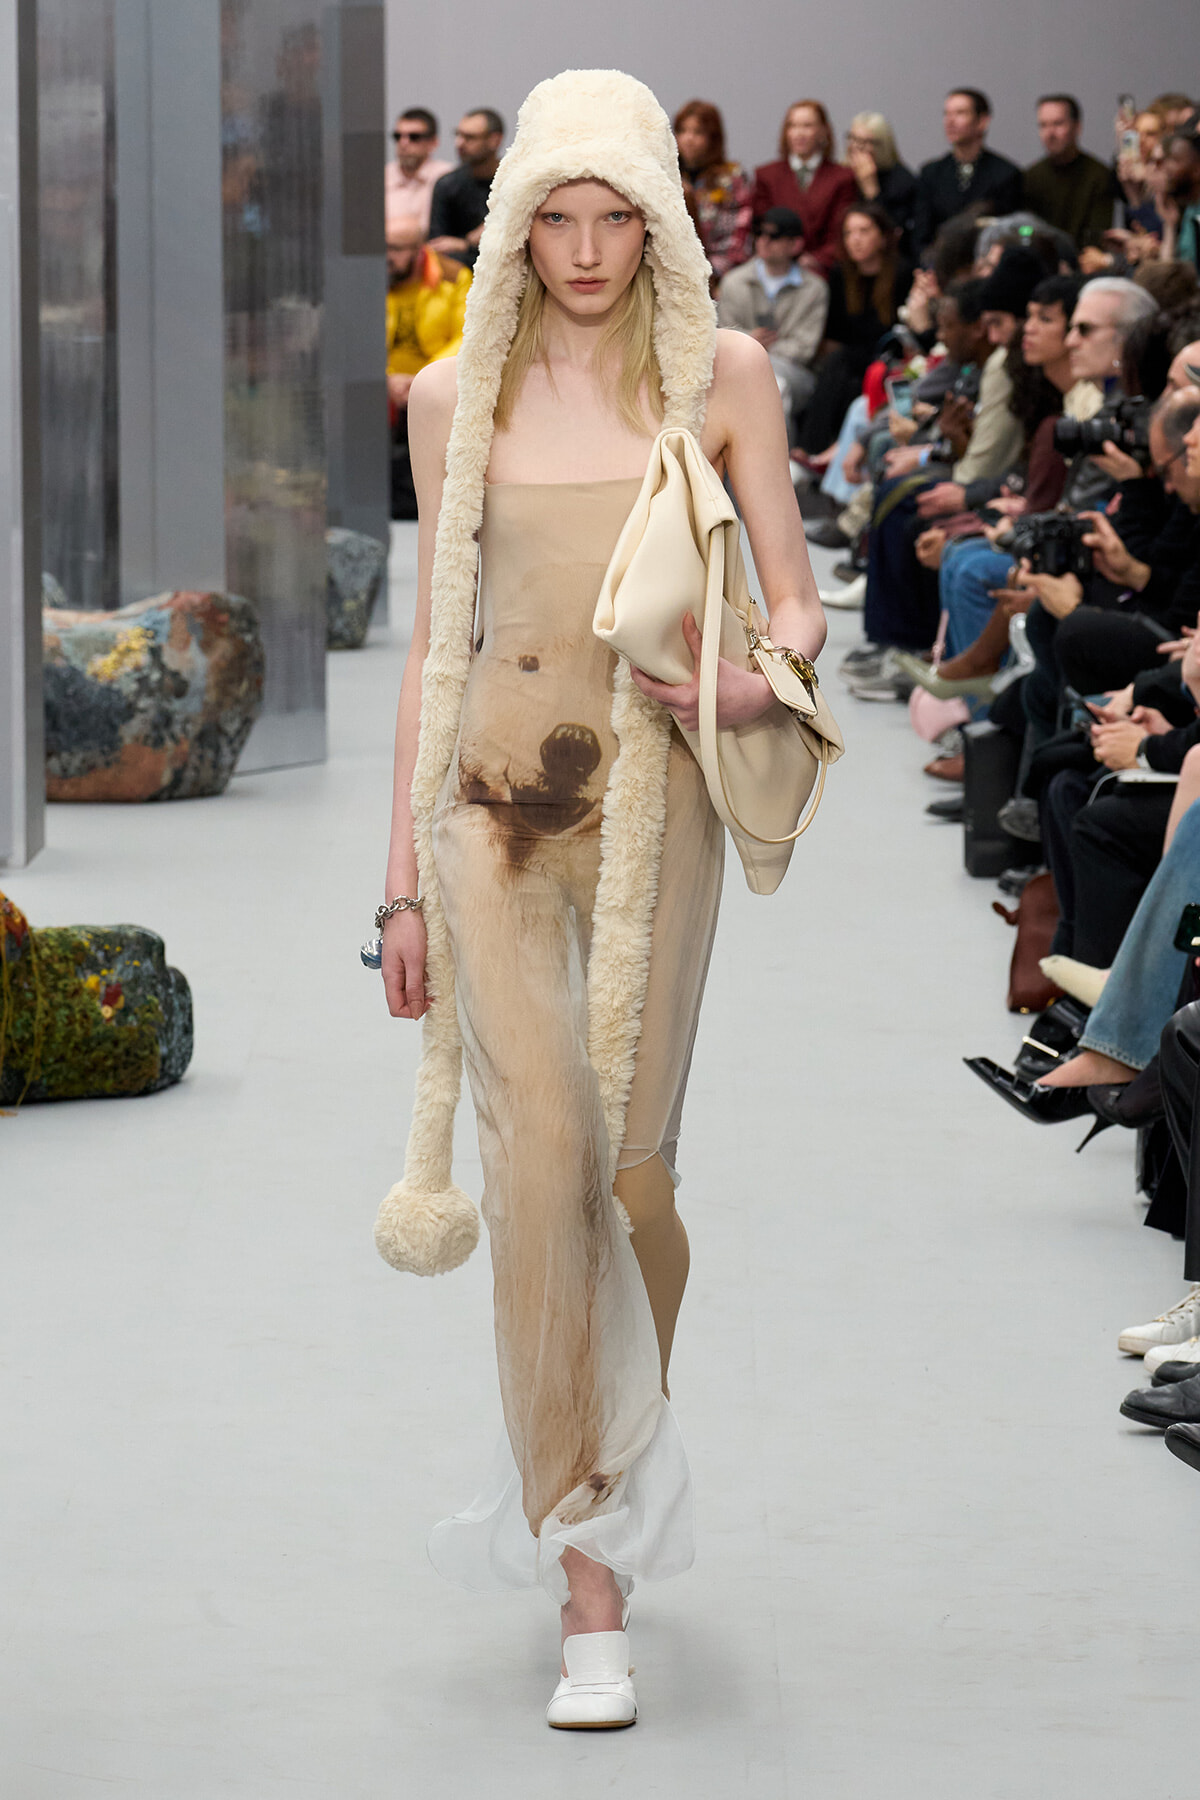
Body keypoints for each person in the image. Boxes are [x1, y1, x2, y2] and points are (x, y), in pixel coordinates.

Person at [373, 69, 825, 1731]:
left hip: (653, 820)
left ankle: (612, 1449)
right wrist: (398, 891)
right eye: (551, 218)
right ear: (510, 231)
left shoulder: (724, 376)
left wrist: (757, 686)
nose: (580, 247)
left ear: (654, 216)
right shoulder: (450, 402)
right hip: (490, 817)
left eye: (609, 215)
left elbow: (794, 595)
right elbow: (437, 647)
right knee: (539, 1150)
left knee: (631, 1170)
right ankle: (587, 1571)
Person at [796, 200, 912, 455]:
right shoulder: (840, 274)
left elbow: (900, 334)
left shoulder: (902, 273)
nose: (855, 239)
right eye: (849, 233)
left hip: (888, 359)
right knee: (838, 368)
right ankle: (819, 451)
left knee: (844, 369)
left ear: (882, 237)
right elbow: (836, 333)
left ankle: (814, 449)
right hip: (851, 358)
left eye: (864, 231)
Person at [716, 206, 827, 441]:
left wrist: (752, 347)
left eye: (774, 236)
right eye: (760, 233)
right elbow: (722, 336)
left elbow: (804, 349)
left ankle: (779, 467)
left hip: (793, 373)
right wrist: (751, 343)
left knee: (775, 386)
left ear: (795, 245)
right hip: (738, 367)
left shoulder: (814, 288)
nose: (764, 241)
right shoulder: (734, 281)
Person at [385, 222, 471, 517]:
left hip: (432, 379)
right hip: (386, 383)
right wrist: (385, 378)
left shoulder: (453, 276)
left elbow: (466, 334)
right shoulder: (372, 277)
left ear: (418, 250)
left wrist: (424, 378)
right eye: (383, 248)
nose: (387, 256)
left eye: (395, 249)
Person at [752, 99, 858, 276]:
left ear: (823, 131)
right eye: (793, 126)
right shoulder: (766, 176)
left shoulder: (843, 178)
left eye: (807, 126)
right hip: (776, 267)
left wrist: (817, 259)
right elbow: (760, 229)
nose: (799, 133)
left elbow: (840, 232)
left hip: (825, 271)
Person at [912, 88, 1023, 255]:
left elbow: (1009, 234)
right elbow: (921, 236)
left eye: (960, 113)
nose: (950, 121)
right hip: (940, 264)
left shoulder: (1006, 174)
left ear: (982, 121)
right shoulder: (931, 173)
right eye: (946, 114)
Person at [673, 99, 753, 287]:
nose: (688, 139)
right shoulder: (665, 174)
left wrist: (709, 274)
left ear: (713, 138)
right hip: (669, 272)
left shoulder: (731, 178)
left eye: (697, 132)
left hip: (718, 277)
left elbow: (738, 240)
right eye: (682, 131)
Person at [1022, 94, 1115, 251]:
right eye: (1043, 125)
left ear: (1077, 127)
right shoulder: (1031, 177)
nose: (1050, 133)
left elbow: (1098, 236)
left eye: (1058, 124)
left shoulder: (1099, 175)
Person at [427, 107, 505, 268]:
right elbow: (438, 248)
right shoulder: (447, 185)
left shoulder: (515, 181)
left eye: (469, 137)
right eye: (458, 135)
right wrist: (470, 242)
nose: (459, 143)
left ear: (494, 140)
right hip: (460, 279)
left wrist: (464, 244)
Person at [844, 112, 917, 254]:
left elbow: (893, 231)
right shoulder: (843, 175)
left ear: (882, 146)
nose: (856, 147)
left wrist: (871, 190)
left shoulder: (902, 181)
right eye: (852, 139)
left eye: (865, 142)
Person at [384, 106, 452, 237]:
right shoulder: (382, 177)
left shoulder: (447, 177)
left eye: (414, 137)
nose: (403, 143)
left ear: (433, 142)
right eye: (398, 136)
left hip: (435, 253)